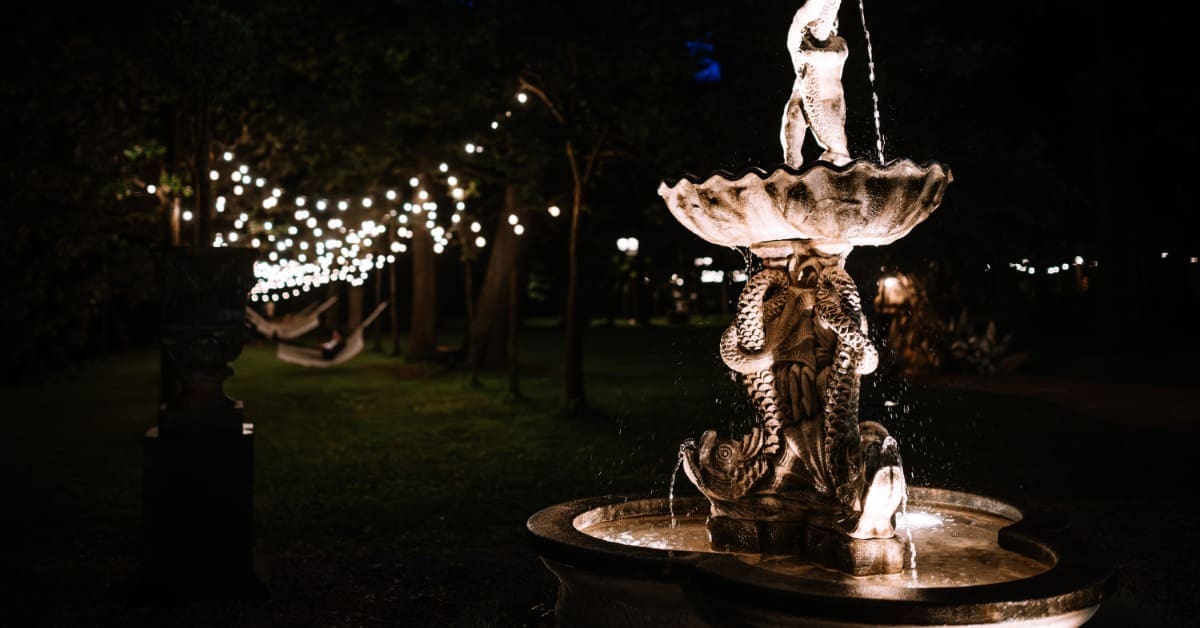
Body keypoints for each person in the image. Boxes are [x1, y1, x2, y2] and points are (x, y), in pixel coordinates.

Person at [780, 0, 851, 167]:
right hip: (804, 99)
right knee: (793, 118)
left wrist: (808, 54)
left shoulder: (838, 44)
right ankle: (791, 166)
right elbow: (800, 19)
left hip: (828, 110)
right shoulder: (803, 42)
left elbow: (834, 56)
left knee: (837, 151)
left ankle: (841, 168)